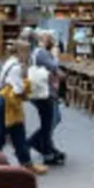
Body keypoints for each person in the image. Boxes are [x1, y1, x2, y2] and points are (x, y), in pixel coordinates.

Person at [0, 39, 44, 175]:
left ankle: (25, 162)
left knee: (14, 133)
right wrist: (27, 83)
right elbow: (19, 89)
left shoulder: (10, 61)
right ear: (22, 51)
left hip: (3, 100)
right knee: (4, 133)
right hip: (9, 102)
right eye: (27, 52)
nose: (29, 55)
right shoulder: (16, 67)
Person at [28, 33, 65, 166]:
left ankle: (45, 147)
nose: (53, 42)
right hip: (44, 92)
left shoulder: (41, 52)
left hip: (47, 91)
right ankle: (40, 145)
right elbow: (54, 66)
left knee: (53, 120)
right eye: (51, 39)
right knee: (50, 122)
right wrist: (55, 55)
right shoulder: (41, 53)